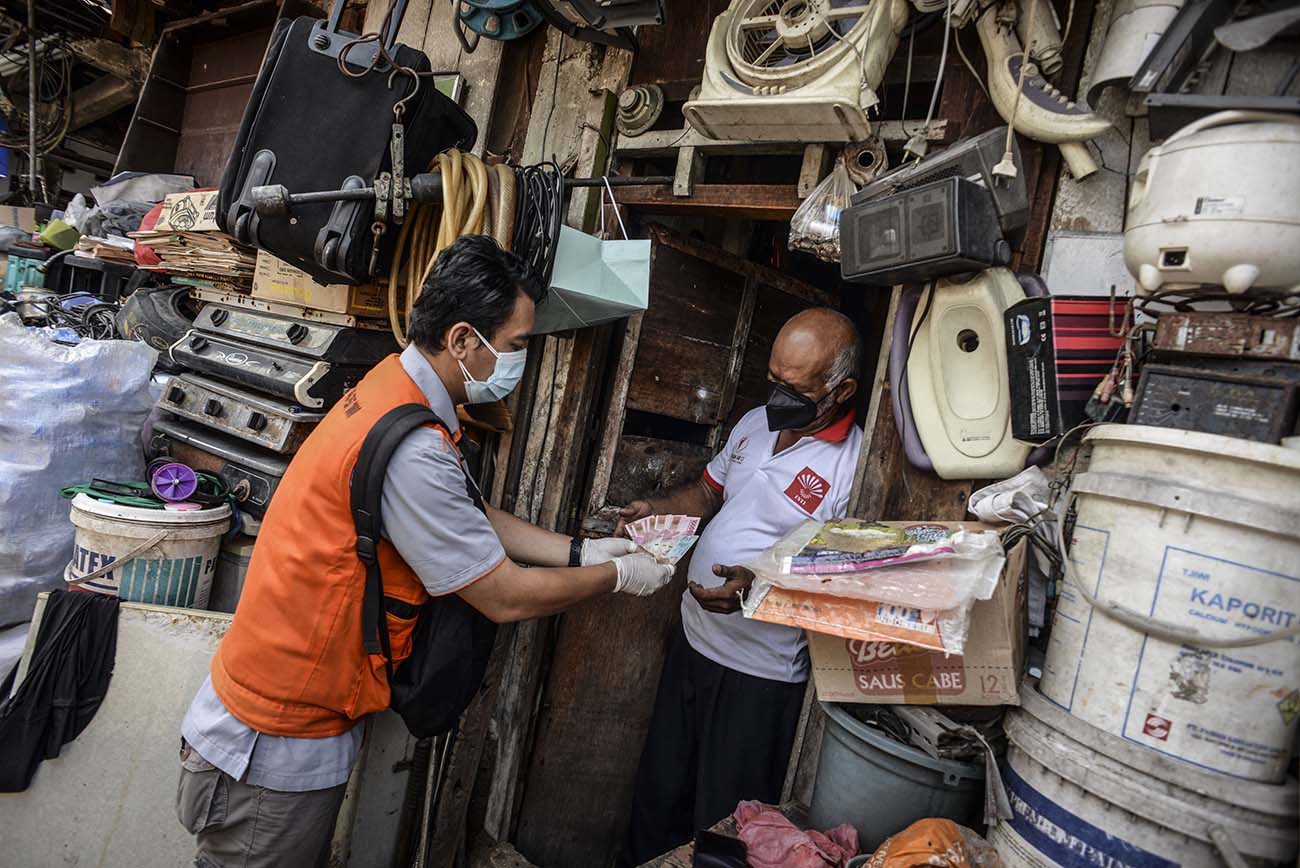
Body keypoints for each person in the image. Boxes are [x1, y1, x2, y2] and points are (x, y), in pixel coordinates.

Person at [176, 236, 674, 868]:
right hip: (274, 739)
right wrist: (618, 576)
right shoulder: (414, 447)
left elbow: (465, 515)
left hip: (280, 710)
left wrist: (577, 552)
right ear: (464, 340)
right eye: (517, 344)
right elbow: (502, 596)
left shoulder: (394, 391)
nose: (520, 359)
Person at [620, 307, 866, 865]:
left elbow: (834, 572)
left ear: (840, 389)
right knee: (660, 799)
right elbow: (708, 495)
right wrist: (653, 510)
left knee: (724, 828)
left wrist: (755, 586)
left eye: (794, 388)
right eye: (773, 380)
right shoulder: (756, 422)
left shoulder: (854, 465)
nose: (777, 396)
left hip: (760, 677)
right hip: (693, 643)